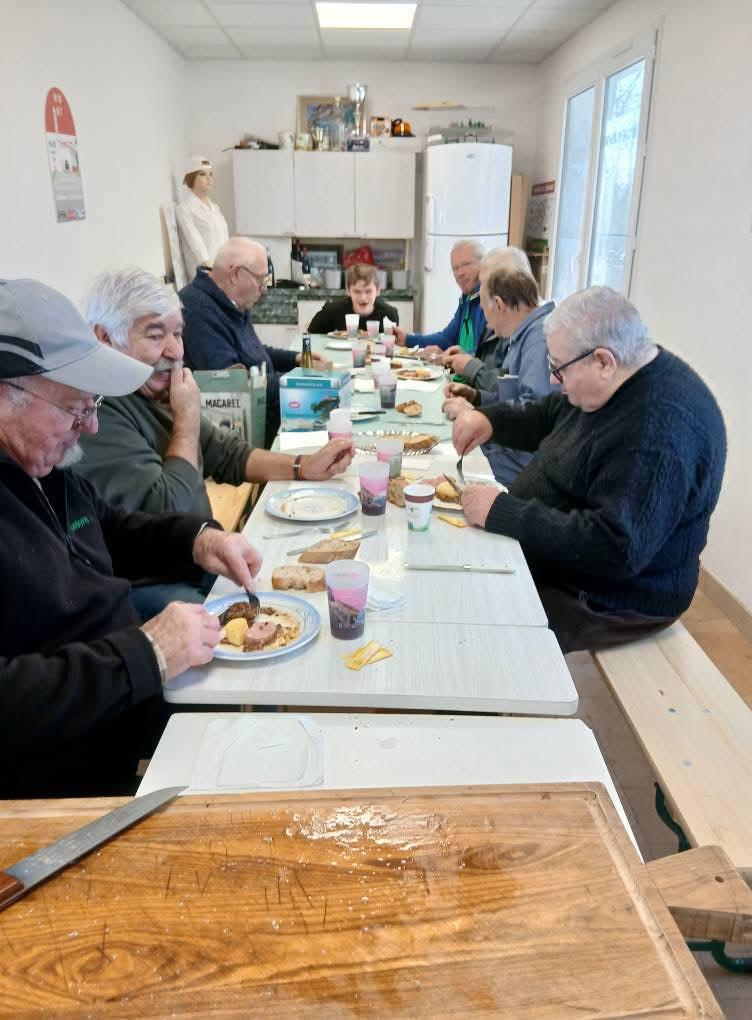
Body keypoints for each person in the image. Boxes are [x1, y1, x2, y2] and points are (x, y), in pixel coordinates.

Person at [0, 278, 263, 798]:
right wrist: (147, 652)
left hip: (125, 708)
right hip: (55, 786)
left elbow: (110, 527)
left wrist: (199, 540)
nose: (91, 428)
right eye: (75, 408)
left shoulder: (44, 469)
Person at [452, 286, 726, 654]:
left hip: (616, 596)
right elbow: (553, 414)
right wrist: (491, 420)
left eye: (558, 368)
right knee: (459, 566)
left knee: (476, 621)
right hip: (574, 558)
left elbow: (615, 549)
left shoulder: (658, 431)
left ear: (603, 360)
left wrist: (504, 512)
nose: (553, 380)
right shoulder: (617, 376)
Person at [78, 268, 353, 618]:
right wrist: (187, 422)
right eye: (155, 335)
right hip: (149, 587)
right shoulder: (97, 413)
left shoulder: (149, 390)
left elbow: (228, 453)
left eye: (177, 333)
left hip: (195, 563)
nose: (175, 350)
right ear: (104, 338)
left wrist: (302, 466)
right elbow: (173, 512)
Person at [179, 237, 330, 439]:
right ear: (236, 274)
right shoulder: (198, 311)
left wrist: (298, 359)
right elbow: (237, 385)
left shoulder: (230, 301)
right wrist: (304, 381)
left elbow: (253, 351)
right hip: (241, 429)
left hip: (266, 408)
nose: (264, 289)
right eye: (261, 280)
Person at [442, 263, 557, 486]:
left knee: (444, 466)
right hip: (509, 448)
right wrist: (477, 397)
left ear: (498, 304)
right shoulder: (522, 334)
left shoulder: (539, 339)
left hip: (521, 463)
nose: (485, 320)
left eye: (484, 310)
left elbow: (534, 416)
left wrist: (479, 413)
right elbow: (512, 397)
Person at [393, 239, 485, 352]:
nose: (460, 273)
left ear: (484, 264)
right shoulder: (467, 299)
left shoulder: (489, 302)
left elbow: (484, 355)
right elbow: (447, 338)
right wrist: (407, 339)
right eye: (455, 268)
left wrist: (447, 357)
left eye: (466, 264)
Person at [175, 156, 229, 281]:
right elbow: (196, 244)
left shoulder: (215, 208)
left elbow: (224, 240)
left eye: (211, 174)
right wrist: (211, 270)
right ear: (191, 177)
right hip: (204, 276)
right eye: (203, 174)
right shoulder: (185, 208)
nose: (209, 178)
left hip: (223, 273)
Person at [306, 263, 399, 334]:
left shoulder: (389, 314)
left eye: (368, 291)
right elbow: (310, 336)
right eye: (357, 291)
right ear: (348, 291)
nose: (363, 298)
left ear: (378, 290)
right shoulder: (331, 310)